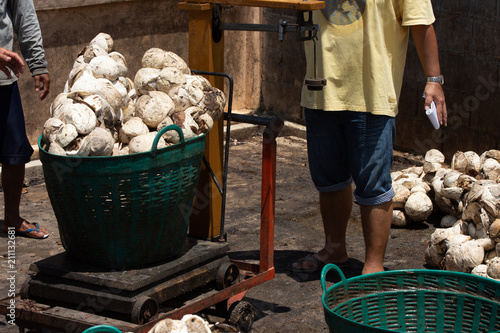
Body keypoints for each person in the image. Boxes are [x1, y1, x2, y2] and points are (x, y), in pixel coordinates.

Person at [289, 0, 447, 275]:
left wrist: (434, 79)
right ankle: (335, 249)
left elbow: (421, 22)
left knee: (373, 183)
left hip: (372, 93)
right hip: (319, 89)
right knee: (329, 178)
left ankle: (373, 265)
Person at [1, 0, 50, 239]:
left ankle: (12, 218)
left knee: (15, 151)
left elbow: (24, 15)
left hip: (3, 80)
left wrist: (37, 63)